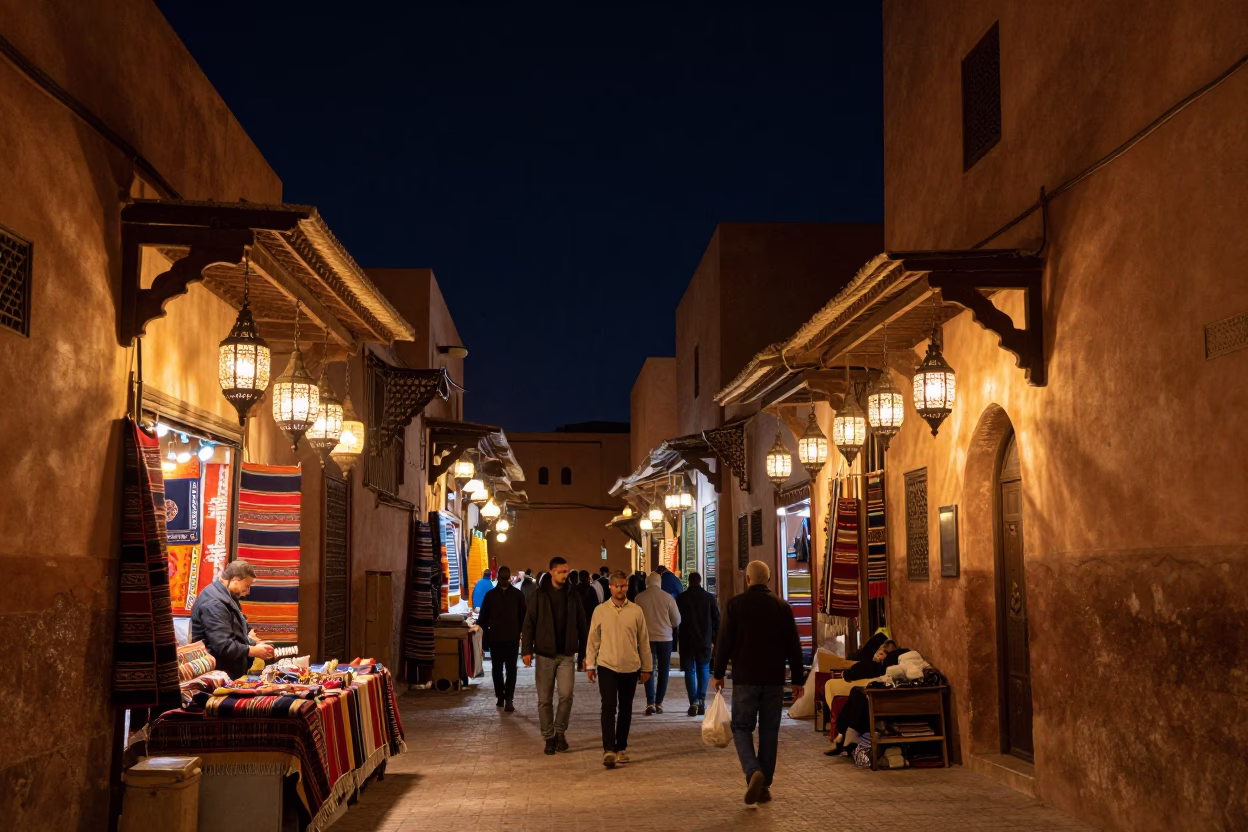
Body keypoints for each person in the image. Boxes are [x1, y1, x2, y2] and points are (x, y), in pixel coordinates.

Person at [712, 560, 805, 805]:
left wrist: (718, 672)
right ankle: (764, 784)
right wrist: (797, 679)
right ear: (770, 578)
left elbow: (724, 641)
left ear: (748, 580)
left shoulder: (735, 605)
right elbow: (794, 645)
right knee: (769, 730)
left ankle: (753, 772)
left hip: (745, 679)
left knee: (741, 727)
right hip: (774, 679)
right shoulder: (781, 607)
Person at [522, 556, 589, 755]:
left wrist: (584, 654)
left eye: (567, 571)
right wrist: (526, 650)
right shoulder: (539, 594)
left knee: (566, 696)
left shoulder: (573, 594)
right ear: (552, 572)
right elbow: (529, 623)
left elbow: (582, 624)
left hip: (567, 654)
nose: (565, 575)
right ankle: (549, 737)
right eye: (561, 571)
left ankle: (560, 732)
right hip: (544, 654)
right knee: (544, 700)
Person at [586, 570, 652, 769]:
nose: (621, 589)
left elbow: (643, 640)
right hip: (607, 665)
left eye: (624, 585)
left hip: (630, 666)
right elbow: (593, 639)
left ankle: (620, 747)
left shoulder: (636, 611)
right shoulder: (600, 611)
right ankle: (608, 749)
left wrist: (647, 667)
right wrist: (591, 663)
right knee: (608, 706)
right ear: (610, 587)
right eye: (617, 586)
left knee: (625, 708)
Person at [189, 560, 275, 679]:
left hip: (229, 672)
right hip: (218, 675)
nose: (248, 591)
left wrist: (251, 638)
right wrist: (254, 650)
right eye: (247, 586)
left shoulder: (226, 597)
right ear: (235, 579)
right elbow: (224, 645)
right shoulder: (214, 603)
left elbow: (236, 627)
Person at [477, 565, 527, 712]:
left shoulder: (518, 595)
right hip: (496, 638)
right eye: (502, 578)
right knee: (497, 669)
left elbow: (523, 617)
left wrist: (523, 635)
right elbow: (483, 619)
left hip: (511, 639)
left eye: (507, 578)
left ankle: (509, 698)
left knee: (511, 669)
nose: (505, 581)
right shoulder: (490, 595)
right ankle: (500, 695)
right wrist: (485, 638)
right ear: (498, 578)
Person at [634, 571, 681, 714]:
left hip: (646, 639)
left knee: (648, 669)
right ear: (659, 582)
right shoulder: (668, 598)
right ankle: (659, 702)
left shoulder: (639, 598)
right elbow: (677, 620)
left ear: (647, 583)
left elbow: (635, 621)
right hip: (665, 639)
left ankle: (650, 702)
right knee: (663, 671)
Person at [676, 571, 720, 716]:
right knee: (703, 669)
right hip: (704, 640)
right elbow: (716, 620)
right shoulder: (709, 598)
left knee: (689, 671)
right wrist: (714, 639)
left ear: (689, 581)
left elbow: (676, 620)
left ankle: (693, 701)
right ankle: (701, 699)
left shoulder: (681, 598)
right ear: (700, 581)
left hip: (687, 641)